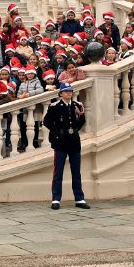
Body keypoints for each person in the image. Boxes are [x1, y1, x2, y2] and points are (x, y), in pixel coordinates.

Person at [42, 82, 89, 210]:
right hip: (60, 142)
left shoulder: (77, 105)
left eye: (70, 91)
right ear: (61, 93)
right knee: (58, 172)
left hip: (74, 141)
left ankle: (79, 198)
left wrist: (73, 130)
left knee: (76, 172)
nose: (69, 93)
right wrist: (58, 131)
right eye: (66, 91)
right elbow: (46, 121)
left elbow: (82, 120)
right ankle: (56, 199)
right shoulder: (55, 106)